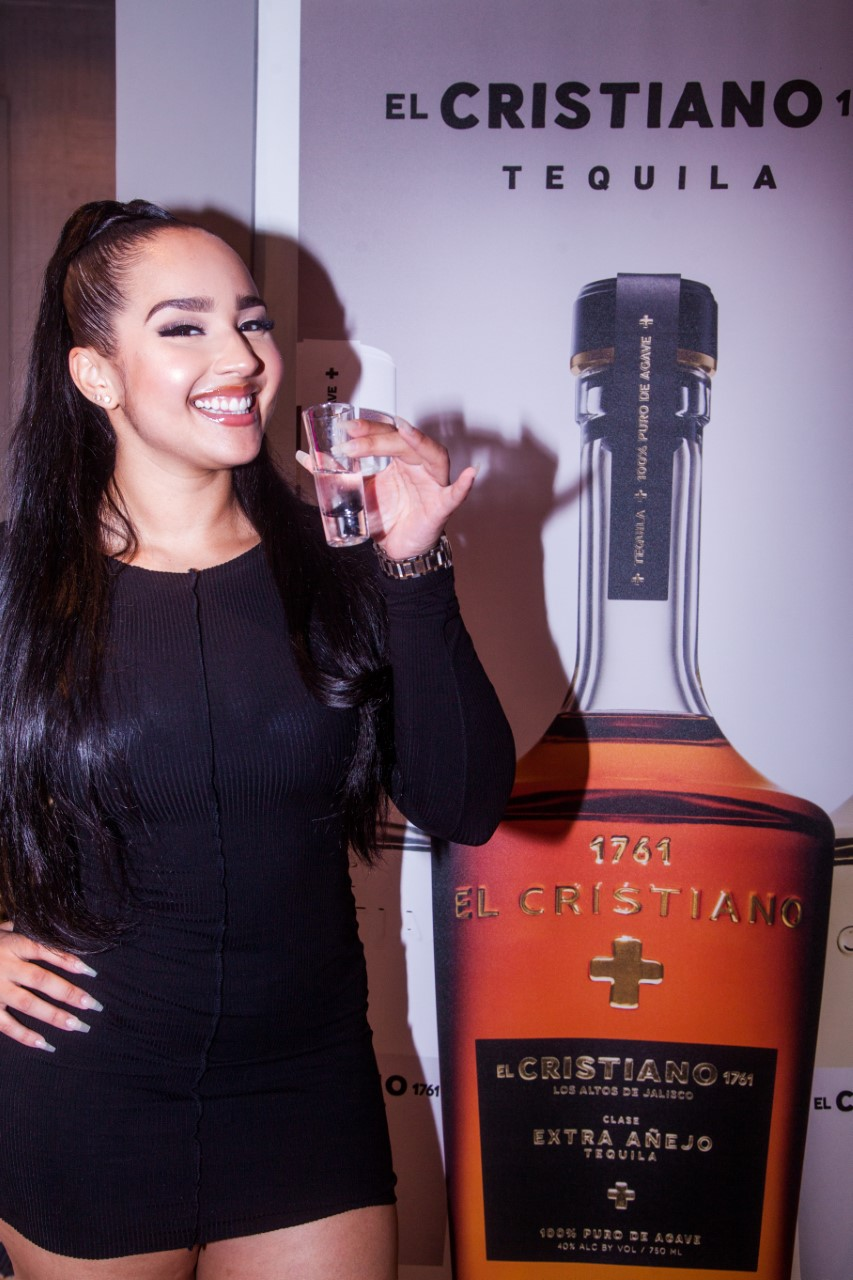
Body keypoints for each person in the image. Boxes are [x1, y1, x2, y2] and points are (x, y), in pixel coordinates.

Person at [0, 200, 515, 1280]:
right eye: (183, 327)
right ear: (95, 374)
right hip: (85, 1092)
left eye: (250, 320)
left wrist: (414, 567)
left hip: (305, 1094)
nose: (239, 356)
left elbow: (464, 803)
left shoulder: (342, 570)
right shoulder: (16, 584)